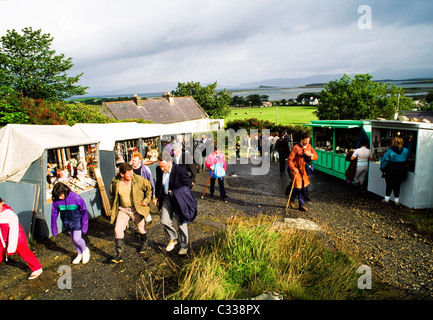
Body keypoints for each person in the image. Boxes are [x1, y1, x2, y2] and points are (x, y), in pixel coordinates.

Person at [109, 162, 153, 263]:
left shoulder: (138, 179)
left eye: (132, 172)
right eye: (128, 174)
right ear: (122, 174)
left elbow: (149, 188)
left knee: (141, 228)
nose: (131, 175)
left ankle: (144, 244)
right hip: (123, 209)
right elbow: (112, 196)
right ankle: (119, 254)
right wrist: (112, 208)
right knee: (117, 230)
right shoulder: (115, 182)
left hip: (137, 209)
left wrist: (146, 200)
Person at [153, 152, 194, 255]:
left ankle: (184, 246)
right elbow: (158, 183)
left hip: (178, 200)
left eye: (164, 166)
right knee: (164, 221)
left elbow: (188, 185)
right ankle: (174, 238)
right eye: (160, 166)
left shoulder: (180, 171)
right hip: (166, 198)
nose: (162, 169)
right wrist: (156, 196)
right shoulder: (159, 170)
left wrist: (177, 192)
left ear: (170, 162)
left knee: (181, 223)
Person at [0, 196, 43, 280]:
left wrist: (11, 247)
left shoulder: (9, 214)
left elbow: (14, 230)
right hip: (2, 240)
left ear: (2, 203)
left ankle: (37, 268)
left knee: (24, 252)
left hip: (17, 239)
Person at [51, 182, 90, 264]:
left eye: (61, 195)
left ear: (65, 191)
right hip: (66, 222)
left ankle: (85, 250)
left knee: (77, 238)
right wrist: (54, 229)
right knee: (73, 239)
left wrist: (84, 225)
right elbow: (54, 214)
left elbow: (84, 211)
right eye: (58, 196)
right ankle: (79, 253)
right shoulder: (56, 201)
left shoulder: (76, 198)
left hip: (76, 221)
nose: (60, 197)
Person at [287, 133, 318, 211]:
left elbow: (316, 156)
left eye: (308, 141)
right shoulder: (296, 147)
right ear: (301, 140)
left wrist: (310, 154)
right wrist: (293, 168)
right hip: (296, 170)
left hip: (304, 170)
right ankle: (299, 203)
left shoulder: (309, 147)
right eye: (305, 141)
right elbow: (289, 160)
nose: (307, 142)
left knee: (303, 186)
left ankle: (297, 201)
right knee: (299, 186)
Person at [380, 136, 413, 205]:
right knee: (397, 185)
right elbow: (410, 152)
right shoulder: (405, 151)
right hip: (401, 169)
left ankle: (386, 199)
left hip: (391, 170)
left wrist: (382, 168)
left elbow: (384, 160)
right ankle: (396, 201)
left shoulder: (390, 151)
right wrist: (410, 142)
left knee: (389, 185)